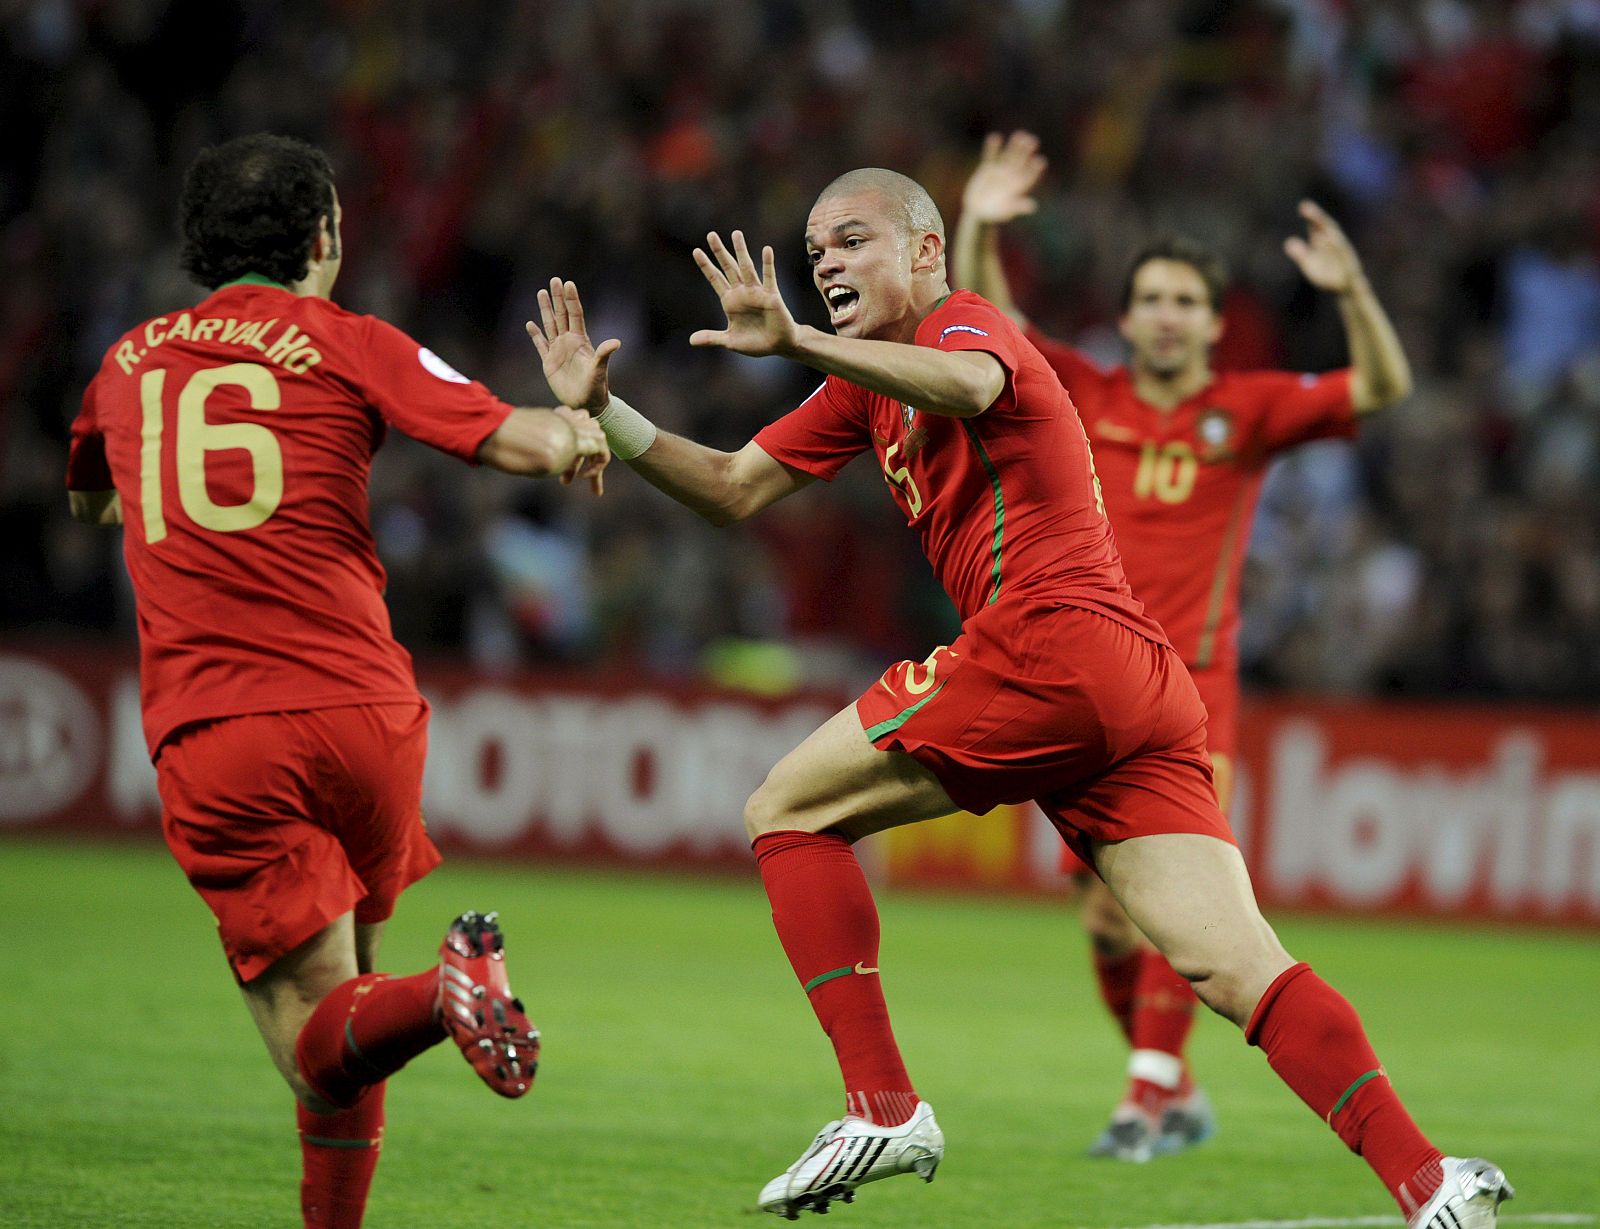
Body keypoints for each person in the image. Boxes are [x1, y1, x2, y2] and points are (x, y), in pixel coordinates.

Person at [526, 169, 1510, 1227]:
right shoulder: (862, 389)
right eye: (816, 253)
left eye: (852, 241)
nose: (827, 265)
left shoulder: (964, 322)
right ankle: (1430, 1182)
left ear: (926, 251)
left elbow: (969, 386)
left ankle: (883, 1107)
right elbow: (730, 487)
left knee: (786, 809)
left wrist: (799, 342)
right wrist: (607, 411)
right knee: (1236, 965)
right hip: (1135, 678)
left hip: (1048, 640)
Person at [65, 133, 608, 1229]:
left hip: (224, 727)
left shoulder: (124, 364)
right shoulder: (349, 340)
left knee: (313, 1047)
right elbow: (519, 445)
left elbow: (90, 496)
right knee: (353, 1020)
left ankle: (445, 990)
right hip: (369, 717)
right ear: (322, 235)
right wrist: (575, 423)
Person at [951, 129, 1416, 1162]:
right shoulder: (1085, 390)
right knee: (1106, 918)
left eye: (1186, 301)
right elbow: (991, 323)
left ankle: (1147, 1093)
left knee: (1188, 895)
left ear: (1213, 323)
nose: (1166, 315)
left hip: (1194, 690)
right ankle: (1174, 1086)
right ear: (1125, 318)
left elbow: (1382, 385)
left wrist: (1352, 291)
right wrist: (978, 219)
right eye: (1151, 299)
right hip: (1083, 678)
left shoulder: (1245, 411)